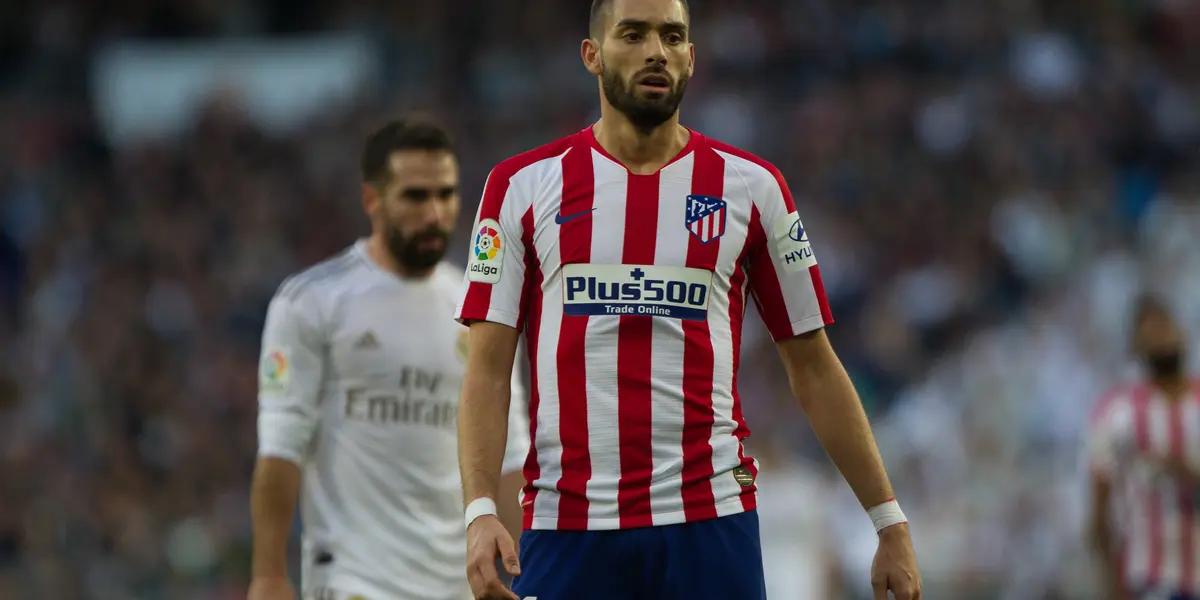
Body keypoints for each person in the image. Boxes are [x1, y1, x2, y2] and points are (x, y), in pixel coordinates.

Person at [453, 1, 922, 599]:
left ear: (691, 59)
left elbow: (814, 365)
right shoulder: (521, 186)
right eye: (634, 34)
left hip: (710, 524)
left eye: (672, 36)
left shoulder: (752, 188)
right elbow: (487, 371)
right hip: (569, 527)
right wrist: (480, 512)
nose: (657, 50)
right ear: (591, 55)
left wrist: (888, 520)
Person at [248, 119, 528, 600]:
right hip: (356, 579)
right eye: (416, 197)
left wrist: (527, 572)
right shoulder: (311, 302)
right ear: (372, 201)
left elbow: (512, 458)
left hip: (456, 582)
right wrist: (269, 574)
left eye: (446, 194)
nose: (435, 213)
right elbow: (280, 448)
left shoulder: (479, 304)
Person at [1089, 297, 1199, 600]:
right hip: (1152, 573)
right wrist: (1110, 582)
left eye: (1164, 326)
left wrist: (1186, 472)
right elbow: (1100, 507)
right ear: (1136, 347)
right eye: (1150, 331)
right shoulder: (1116, 412)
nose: (1160, 336)